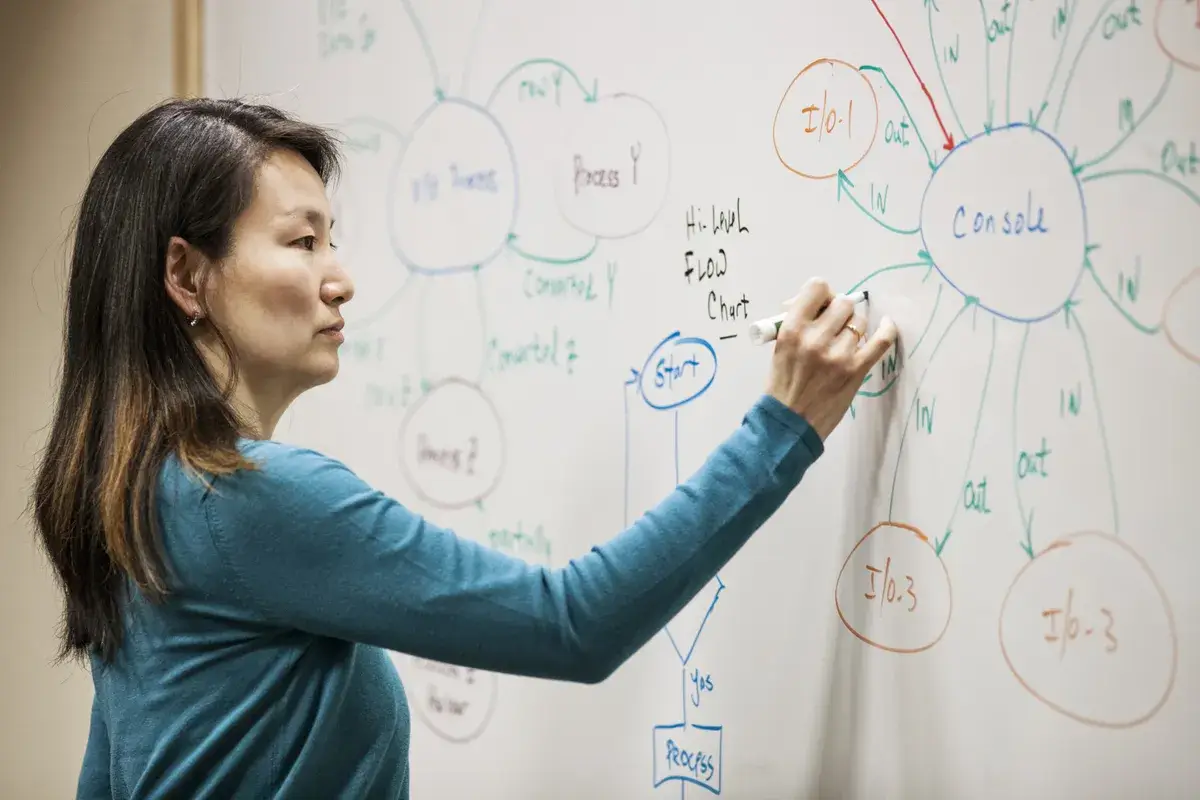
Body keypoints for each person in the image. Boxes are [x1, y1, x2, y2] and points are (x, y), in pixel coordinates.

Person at [31, 97, 897, 799]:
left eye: (331, 238)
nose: (341, 276)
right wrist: (784, 427)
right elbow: (573, 626)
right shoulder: (250, 500)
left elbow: (109, 780)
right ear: (187, 276)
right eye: (302, 241)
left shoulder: (135, 498)